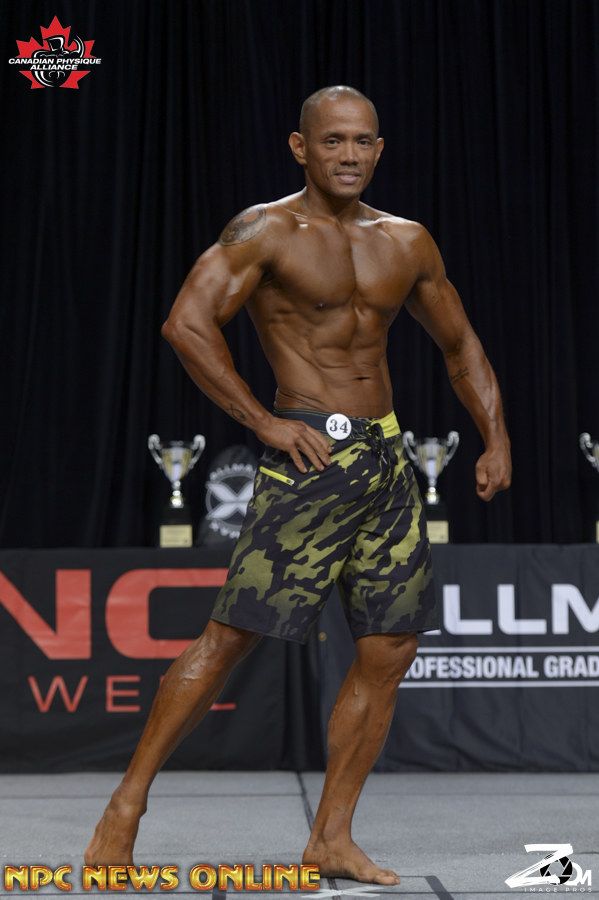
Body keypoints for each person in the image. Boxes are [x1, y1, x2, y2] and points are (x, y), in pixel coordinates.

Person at [84, 85, 511, 883]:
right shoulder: (265, 230)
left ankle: (330, 838)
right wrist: (264, 421)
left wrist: (495, 436)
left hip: (386, 464)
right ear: (300, 147)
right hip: (310, 462)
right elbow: (185, 323)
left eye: (362, 141)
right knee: (231, 638)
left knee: (389, 648)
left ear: (378, 149)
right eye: (333, 140)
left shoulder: (406, 240)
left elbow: (461, 346)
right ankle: (124, 809)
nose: (349, 155)